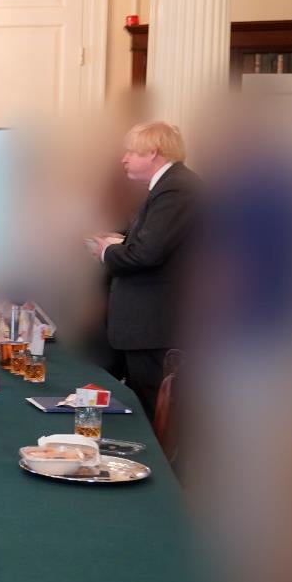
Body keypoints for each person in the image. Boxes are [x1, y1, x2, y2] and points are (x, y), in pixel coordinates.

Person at [87, 119, 200, 422]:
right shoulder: (166, 187)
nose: (124, 158)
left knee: (155, 414)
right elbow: (150, 243)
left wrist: (108, 250)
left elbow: (145, 254)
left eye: (131, 152)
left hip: (154, 328)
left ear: (153, 152)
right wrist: (114, 240)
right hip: (145, 327)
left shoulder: (176, 189)